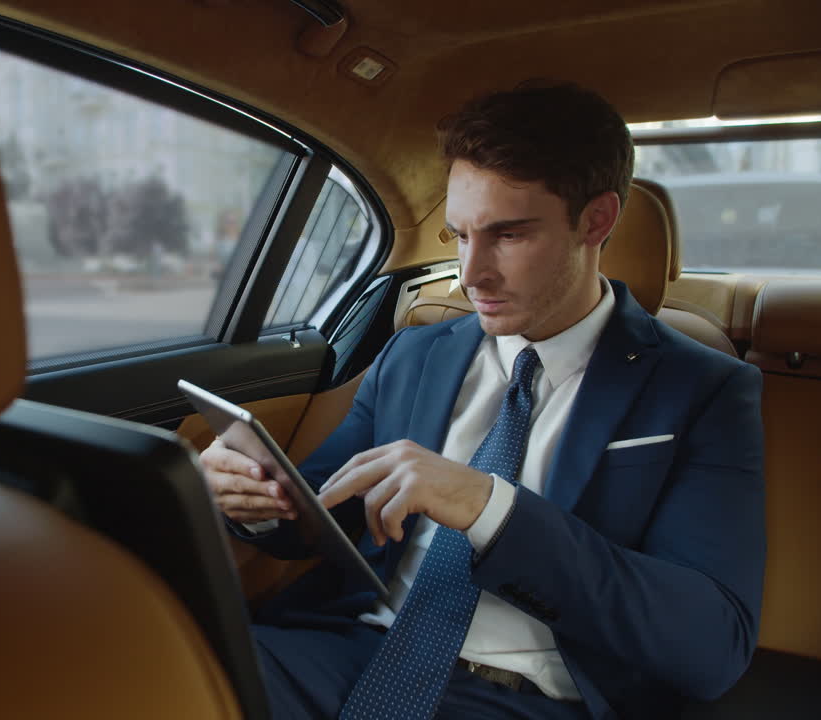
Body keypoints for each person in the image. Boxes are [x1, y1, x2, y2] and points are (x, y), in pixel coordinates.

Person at [200, 82, 765, 720]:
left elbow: (711, 647)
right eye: (460, 236)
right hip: (349, 651)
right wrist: (252, 498)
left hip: (532, 699)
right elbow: (324, 510)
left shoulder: (703, 389)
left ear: (596, 221)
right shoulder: (413, 354)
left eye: (509, 235)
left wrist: (488, 507)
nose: (471, 273)